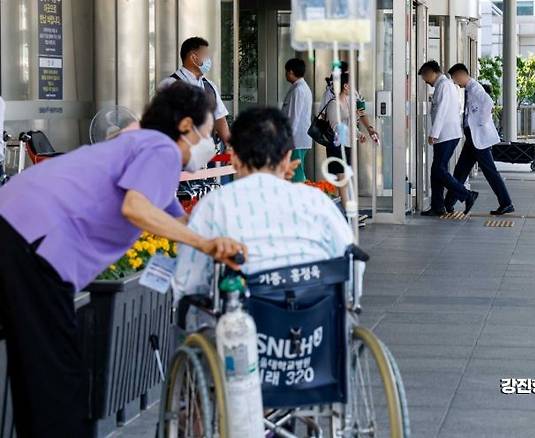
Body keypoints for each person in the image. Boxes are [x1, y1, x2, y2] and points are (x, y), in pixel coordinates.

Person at [0, 82, 246, 437]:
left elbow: (174, 218)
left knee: (38, 365)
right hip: (35, 241)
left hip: (18, 226)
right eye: (208, 134)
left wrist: (216, 237)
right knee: (55, 374)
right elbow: (137, 208)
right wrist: (204, 244)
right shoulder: (160, 149)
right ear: (185, 126)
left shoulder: (139, 143)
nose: (211, 144)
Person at [172, 107, 353, 302]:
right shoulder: (318, 203)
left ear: (234, 157)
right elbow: (351, 266)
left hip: (238, 323)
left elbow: (186, 280)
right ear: (287, 157)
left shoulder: (215, 205)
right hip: (316, 321)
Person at [445, 63, 514, 216]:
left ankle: (506, 203)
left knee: (490, 172)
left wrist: (480, 123)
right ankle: (448, 203)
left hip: (478, 138)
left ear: (461, 75)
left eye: (455, 78)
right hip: (473, 138)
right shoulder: (469, 89)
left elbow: (488, 102)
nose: (455, 82)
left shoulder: (475, 87)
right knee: (461, 170)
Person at [417, 61, 478, 216]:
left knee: (438, 170)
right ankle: (438, 206)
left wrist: (434, 133)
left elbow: (442, 111)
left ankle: (466, 194)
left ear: (431, 72)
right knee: (436, 170)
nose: (425, 80)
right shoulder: (444, 85)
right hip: (447, 134)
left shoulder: (444, 85)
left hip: (446, 135)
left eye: (425, 76)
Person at [159, 37, 230, 146]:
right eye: (206, 55)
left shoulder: (209, 85)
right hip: (181, 152)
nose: (209, 60)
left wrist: (230, 146)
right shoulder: (170, 84)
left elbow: (219, 118)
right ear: (193, 57)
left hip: (208, 153)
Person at [326, 72, 367, 209]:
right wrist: (352, 116)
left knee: (344, 179)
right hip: (338, 145)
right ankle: (348, 213)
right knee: (342, 180)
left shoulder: (349, 101)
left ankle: (344, 212)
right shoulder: (333, 104)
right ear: (345, 86)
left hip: (348, 144)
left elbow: (351, 124)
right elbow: (336, 127)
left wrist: (359, 133)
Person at [320, 61, 379, 143]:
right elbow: (326, 118)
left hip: (351, 138)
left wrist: (369, 129)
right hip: (335, 140)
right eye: (347, 74)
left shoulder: (353, 93)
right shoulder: (329, 94)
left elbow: (361, 112)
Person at [282, 58, 313, 182]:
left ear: (290, 72)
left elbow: (293, 117)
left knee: (296, 171)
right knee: (296, 170)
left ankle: (301, 197)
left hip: (296, 140)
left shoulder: (298, 90)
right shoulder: (300, 87)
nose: (285, 74)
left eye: (286, 71)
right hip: (298, 138)